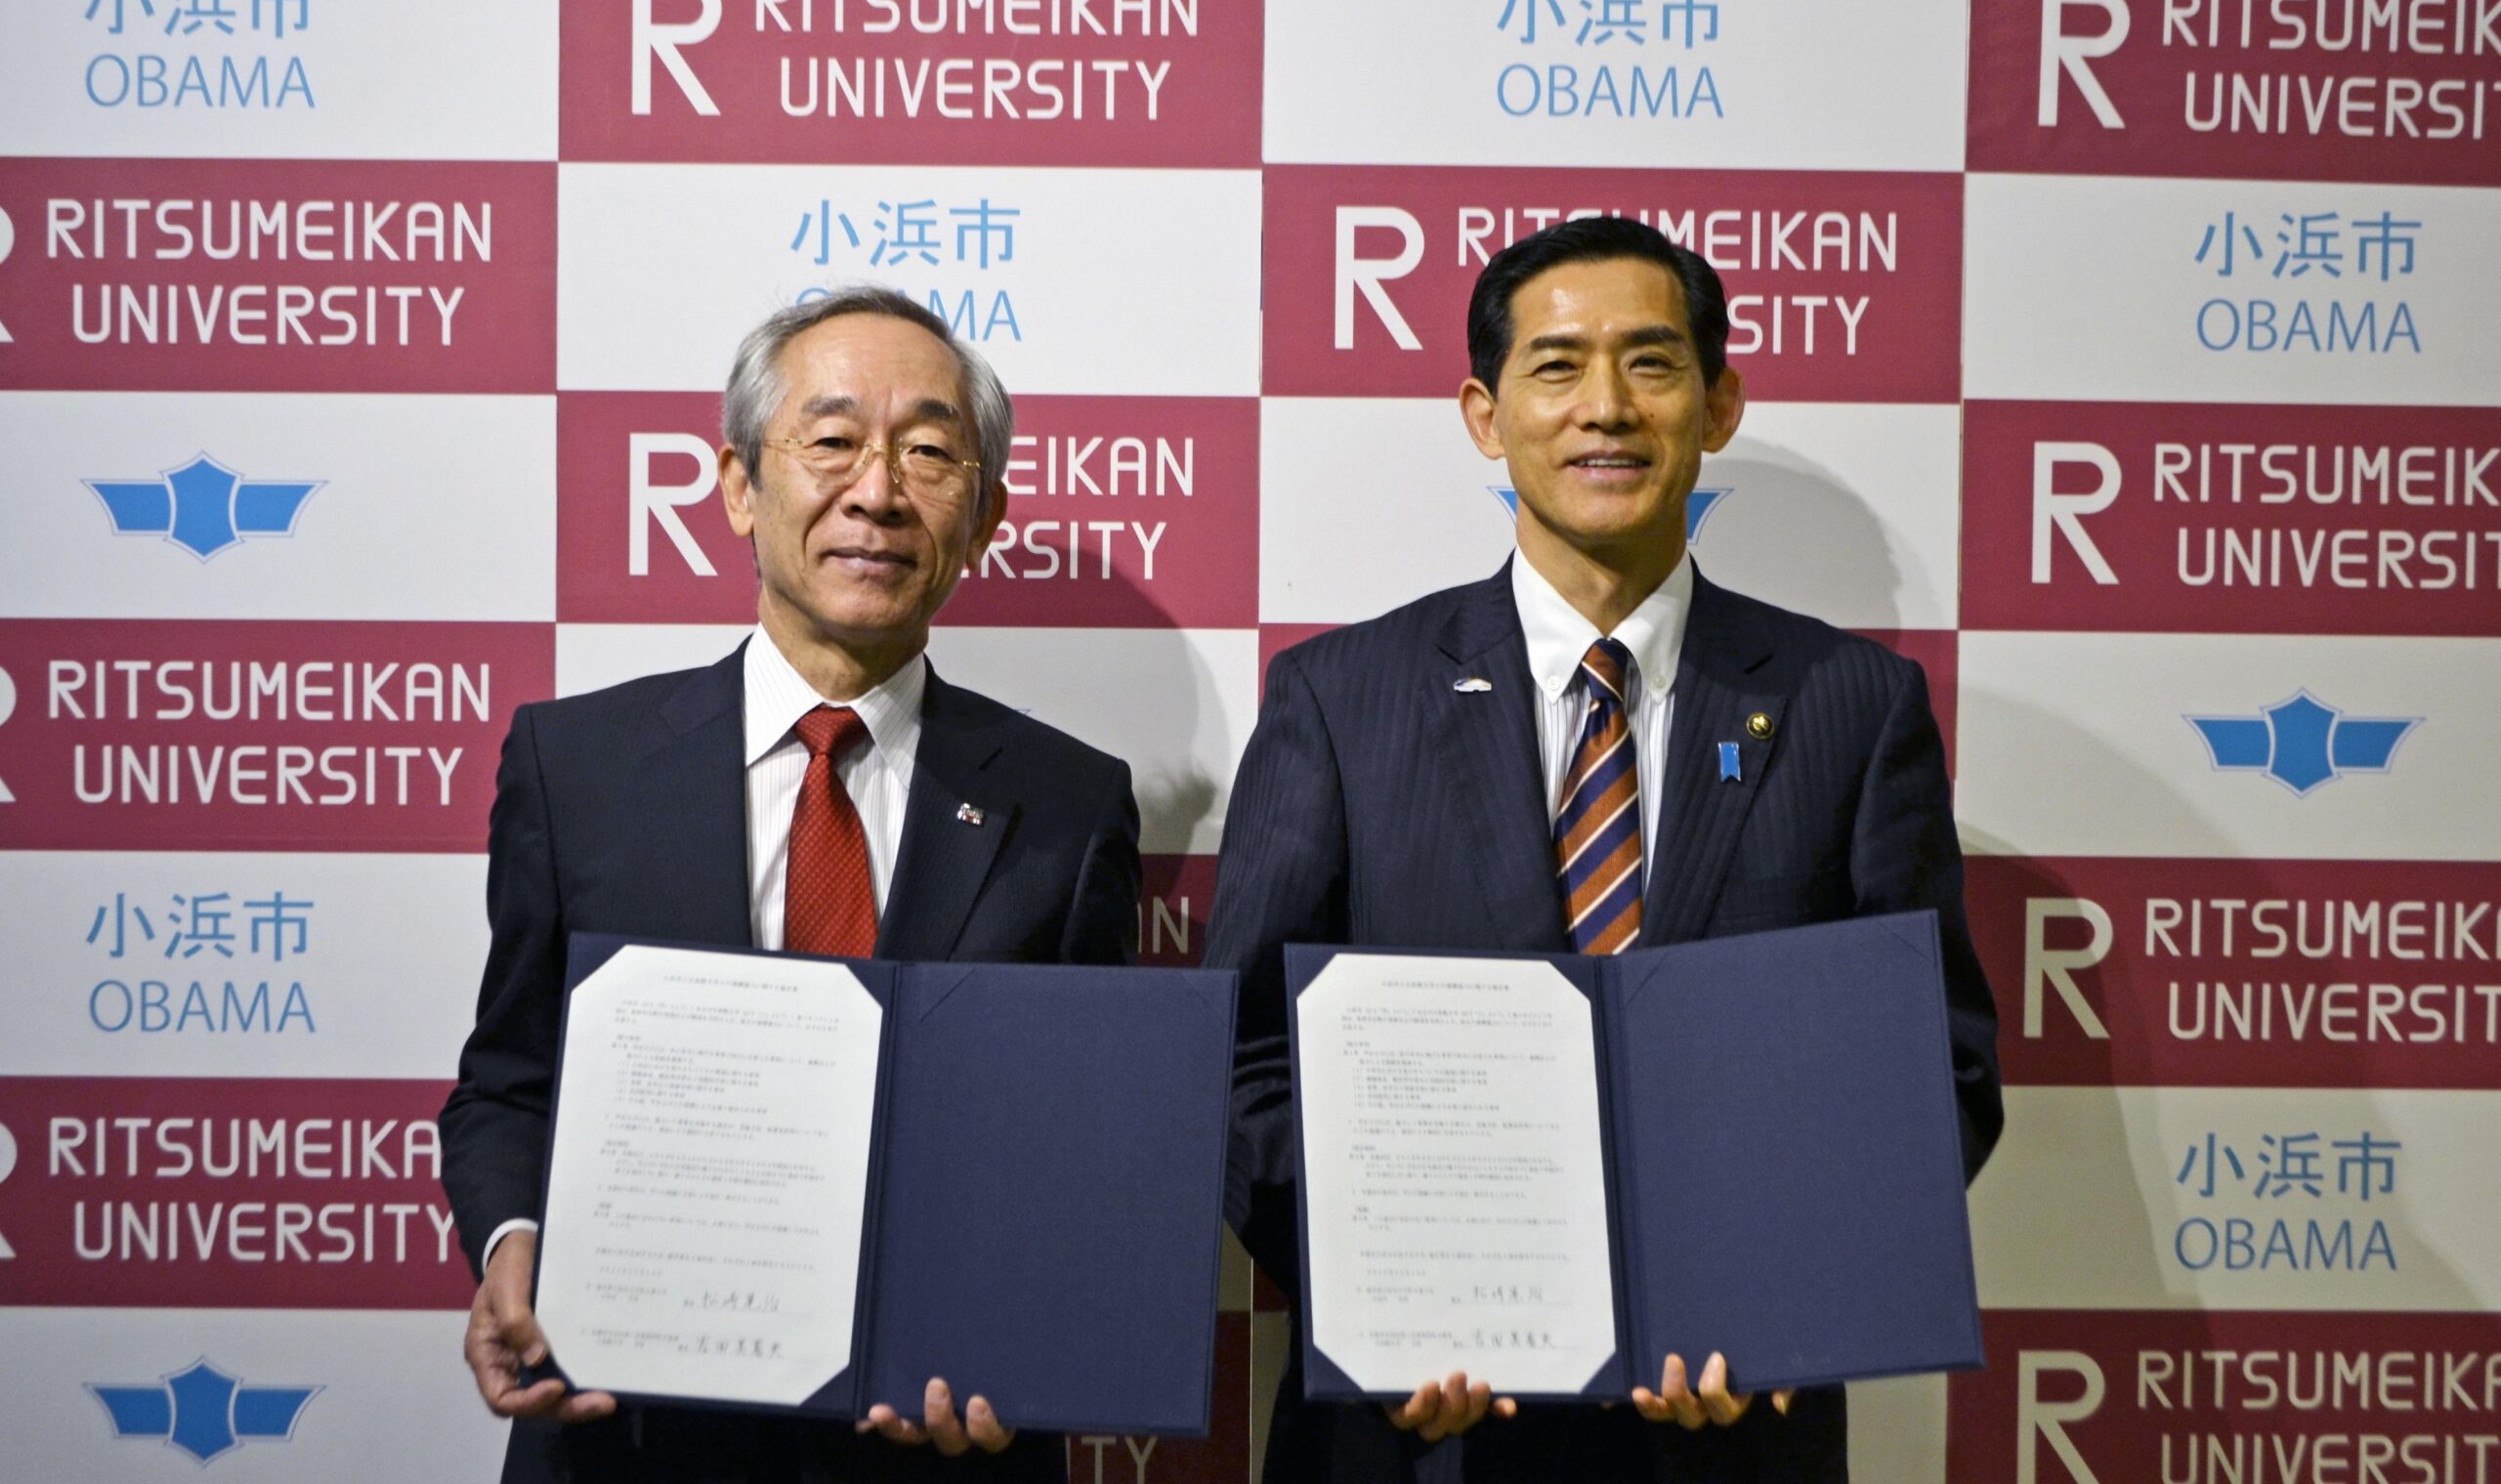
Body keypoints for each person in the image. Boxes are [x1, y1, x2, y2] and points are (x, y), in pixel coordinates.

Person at [1206, 216, 2002, 1482]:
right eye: (1559, 364)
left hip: (1736, 1429)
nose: (1607, 409)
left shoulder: (1850, 705)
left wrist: (1778, 1312)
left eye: (1651, 362)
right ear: (1485, 411)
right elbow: (1242, 1051)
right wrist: (1373, 1306)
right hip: (1416, 1436)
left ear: (1718, 399)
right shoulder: (1340, 698)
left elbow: (1932, 1068)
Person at [440, 288, 1140, 1484]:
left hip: (937, 1440)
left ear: (982, 518)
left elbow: (1079, 1151)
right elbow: (508, 1083)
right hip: (633, 1430)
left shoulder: (1070, 803)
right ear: (737, 488)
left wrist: (1022, 1357)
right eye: (830, 442)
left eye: (928, 451)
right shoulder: (579, 767)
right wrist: (515, 1242)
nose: (877, 490)